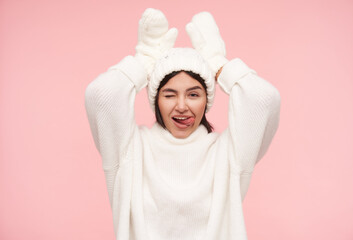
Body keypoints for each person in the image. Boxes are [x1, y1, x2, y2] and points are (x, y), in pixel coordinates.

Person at [85, 8, 281, 240]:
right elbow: (101, 94)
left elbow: (264, 98)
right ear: (156, 101)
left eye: (193, 95)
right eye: (169, 95)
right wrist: (145, 58)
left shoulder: (229, 154)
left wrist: (218, 63)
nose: (181, 106)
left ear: (207, 100)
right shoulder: (130, 150)